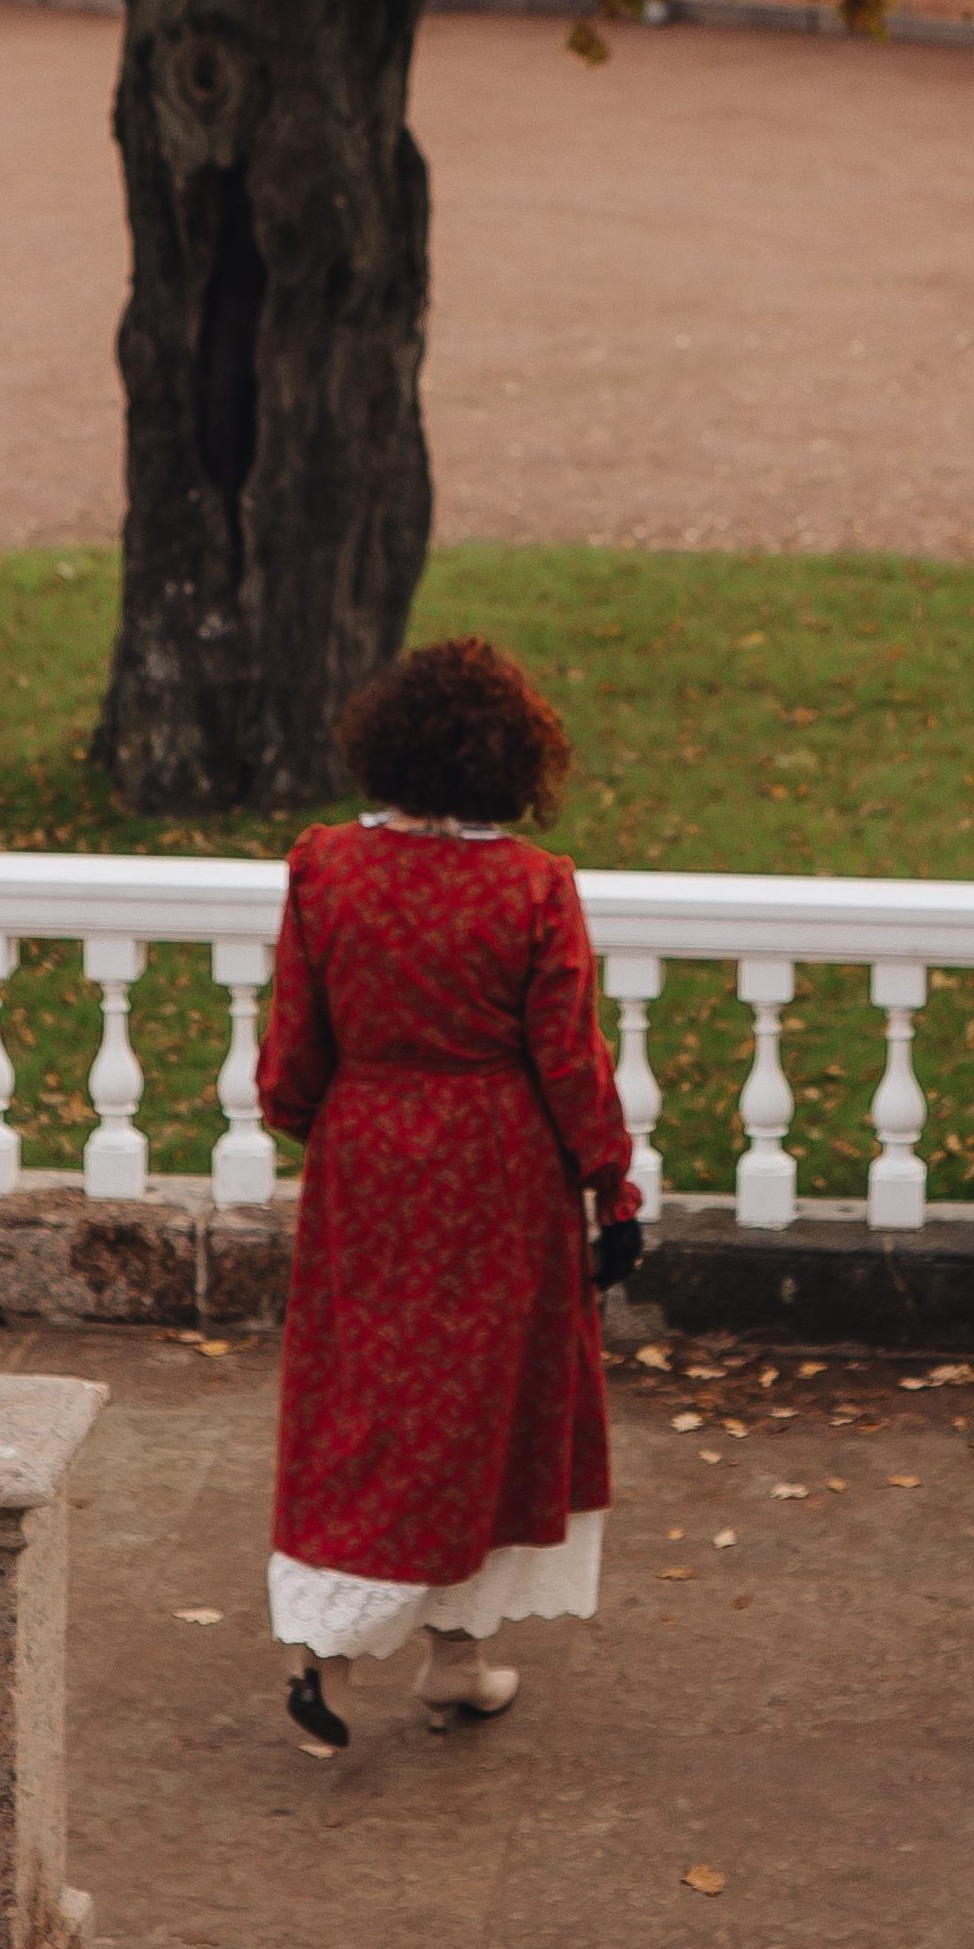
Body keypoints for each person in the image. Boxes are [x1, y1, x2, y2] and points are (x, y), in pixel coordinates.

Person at [256, 634, 642, 1750]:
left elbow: (292, 1059)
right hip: (497, 1168)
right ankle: (453, 1661)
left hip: (366, 1157)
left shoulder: (324, 865)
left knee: (357, 1390)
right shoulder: (530, 888)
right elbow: (570, 1062)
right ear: (511, 762)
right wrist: (611, 1189)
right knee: (482, 1402)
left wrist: (320, 1124)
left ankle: (316, 1653)